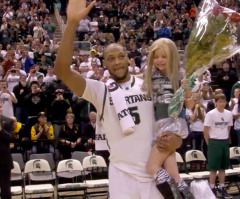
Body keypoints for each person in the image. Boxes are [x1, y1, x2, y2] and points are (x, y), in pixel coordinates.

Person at [55, 1, 182, 198]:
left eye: (121, 56)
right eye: (111, 58)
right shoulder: (100, 90)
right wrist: (71, 23)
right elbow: (62, 71)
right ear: (104, 63)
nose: (117, 62)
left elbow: (170, 118)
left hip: (154, 172)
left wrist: (177, 140)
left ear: (128, 59)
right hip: (122, 174)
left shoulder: (148, 84)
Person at [143, 38, 194, 199]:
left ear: (172, 56)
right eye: (156, 57)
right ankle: (185, 192)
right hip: (160, 125)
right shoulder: (152, 76)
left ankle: (173, 195)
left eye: (164, 56)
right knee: (173, 172)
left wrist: (186, 89)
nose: (159, 60)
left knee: (152, 167)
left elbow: (190, 105)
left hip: (172, 125)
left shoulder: (179, 75)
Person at [204, 93, 233, 199]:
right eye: (219, 101)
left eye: (223, 101)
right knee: (213, 168)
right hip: (214, 142)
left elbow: (228, 128)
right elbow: (206, 131)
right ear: (216, 102)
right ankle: (212, 188)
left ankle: (222, 188)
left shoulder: (229, 114)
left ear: (226, 102)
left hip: (224, 141)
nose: (222, 103)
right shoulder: (210, 114)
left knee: (223, 168)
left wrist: (225, 138)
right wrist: (210, 143)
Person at [0, 101, 14, 199]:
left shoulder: (8, 121)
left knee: (5, 191)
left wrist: (1, 130)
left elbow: (11, 138)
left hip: (4, 161)